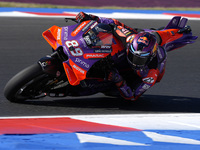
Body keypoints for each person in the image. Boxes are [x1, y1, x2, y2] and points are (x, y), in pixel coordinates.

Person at [75, 12, 197, 101]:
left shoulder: (151, 74)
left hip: (131, 77)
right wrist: (91, 17)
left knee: (112, 92)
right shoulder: (129, 37)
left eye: (140, 58)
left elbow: (133, 95)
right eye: (134, 55)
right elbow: (114, 23)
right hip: (139, 37)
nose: (135, 61)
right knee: (156, 33)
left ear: (149, 57)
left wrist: (119, 80)